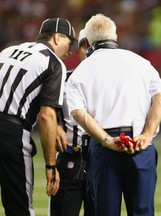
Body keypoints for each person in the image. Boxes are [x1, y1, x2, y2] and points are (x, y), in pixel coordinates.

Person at [66, 13, 161, 216]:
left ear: (87, 41)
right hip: (140, 145)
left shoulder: (80, 71)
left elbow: (78, 113)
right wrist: (147, 135)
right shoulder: (141, 62)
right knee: (142, 212)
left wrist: (105, 140)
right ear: (115, 36)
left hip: (103, 147)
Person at [0, 17, 77, 216]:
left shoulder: (8, 50)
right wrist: (51, 164)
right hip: (12, 134)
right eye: (70, 42)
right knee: (20, 209)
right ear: (58, 37)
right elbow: (46, 116)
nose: (71, 50)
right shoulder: (53, 62)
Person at [48, 29, 91, 216]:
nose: (90, 50)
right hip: (69, 157)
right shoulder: (63, 77)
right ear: (77, 51)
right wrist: (55, 126)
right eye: (85, 45)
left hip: (102, 160)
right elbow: (44, 110)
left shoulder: (115, 81)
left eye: (93, 44)